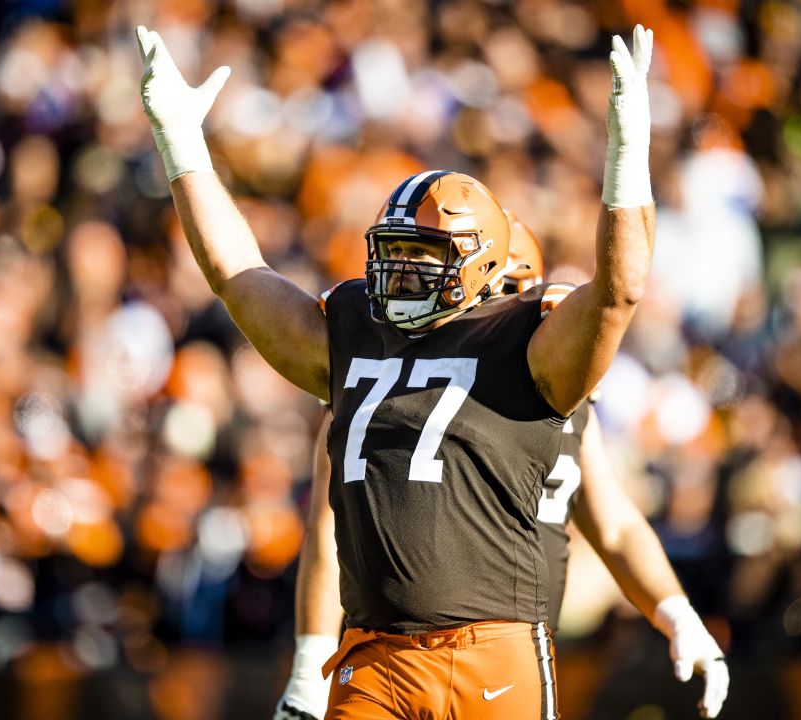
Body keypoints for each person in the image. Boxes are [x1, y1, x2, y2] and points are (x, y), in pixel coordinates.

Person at [137, 24, 659, 720]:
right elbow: (237, 277)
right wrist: (183, 145)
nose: (400, 272)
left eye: (423, 256)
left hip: (492, 650)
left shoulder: (527, 339)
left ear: (480, 264)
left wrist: (627, 157)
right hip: (374, 655)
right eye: (394, 252)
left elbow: (619, 292)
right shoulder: (354, 328)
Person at [274, 213, 729, 720]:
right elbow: (328, 527)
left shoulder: (563, 399)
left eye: (508, 296)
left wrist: (677, 612)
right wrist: (308, 668)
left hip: (518, 654)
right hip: (411, 655)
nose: (489, 314)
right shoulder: (392, 391)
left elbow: (614, 524)